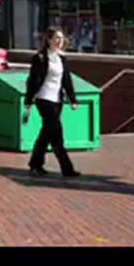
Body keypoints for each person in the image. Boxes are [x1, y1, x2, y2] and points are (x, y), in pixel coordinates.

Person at [23, 26, 81, 179]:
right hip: (44, 97)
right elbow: (33, 81)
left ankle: (36, 163)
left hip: (57, 99)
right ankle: (67, 168)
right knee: (56, 131)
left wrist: (72, 99)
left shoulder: (62, 58)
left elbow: (67, 81)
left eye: (61, 39)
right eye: (56, 38)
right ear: (48, 40)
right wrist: (28, 100)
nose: (59, 41)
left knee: (47, 133)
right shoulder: (40, 58)